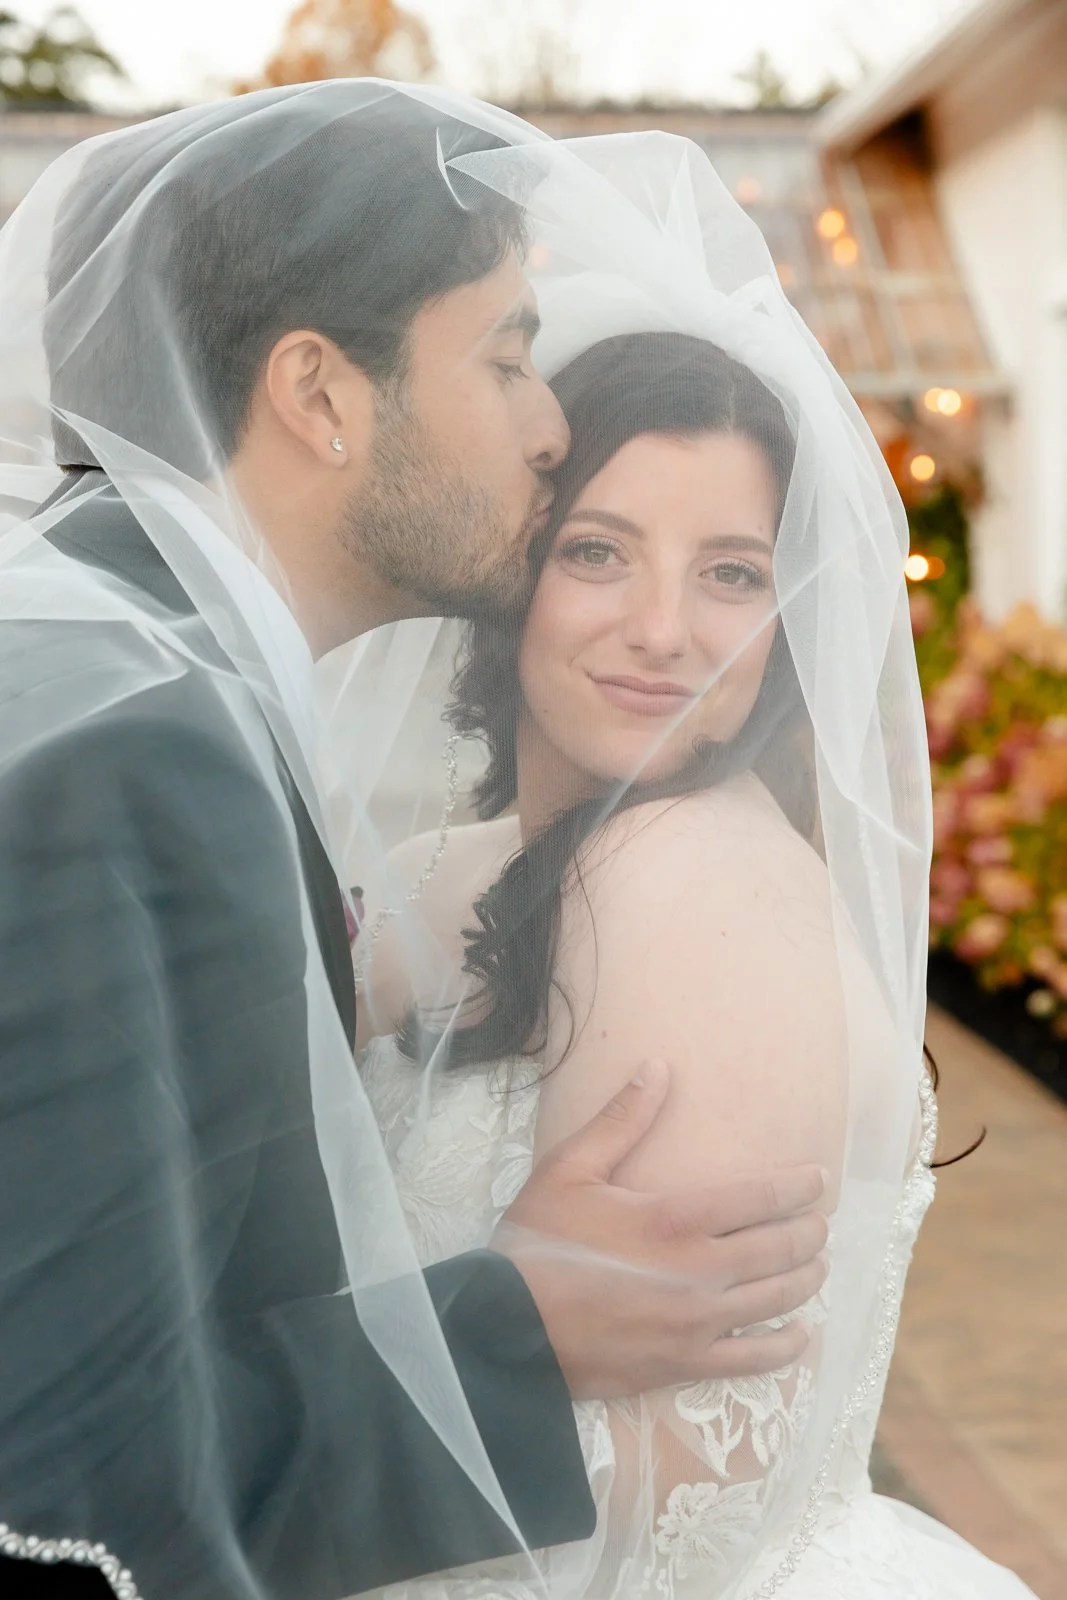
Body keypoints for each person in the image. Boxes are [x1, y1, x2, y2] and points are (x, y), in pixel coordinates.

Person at [0, 86, 830, 1600]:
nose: (549, 423)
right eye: (504, 356)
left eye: (728, 573)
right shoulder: (136, 748)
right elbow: (69, 1483)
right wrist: (509, 1318)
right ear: (320, 394)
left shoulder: (139, 684)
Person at [345, 337, 1038, 1591]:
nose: (661, 632)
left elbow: (670, 1505)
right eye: (597, 551)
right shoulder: (451, 865)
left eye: (731, 572)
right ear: (514, 566)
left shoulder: (687, 882)